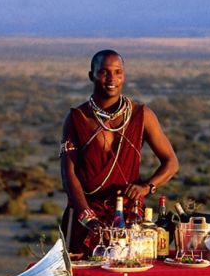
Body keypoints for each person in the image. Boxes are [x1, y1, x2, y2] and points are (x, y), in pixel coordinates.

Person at [59, 50, 179, 254]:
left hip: (129, 216)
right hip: (85, 216)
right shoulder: (77, 119)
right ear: (92, 75)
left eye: (118, 72)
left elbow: (171, 163)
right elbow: (68, 175)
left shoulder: (142, 116)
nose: (112, 78)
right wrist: (88, 218)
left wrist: (146, 187)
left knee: (130, 275)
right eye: (104, 72)